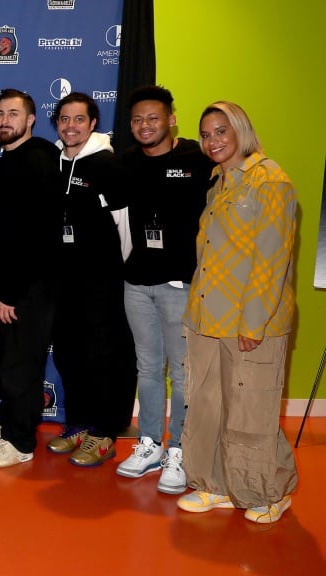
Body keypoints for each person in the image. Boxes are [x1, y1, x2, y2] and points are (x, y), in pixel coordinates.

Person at [176, 101, 298, 524]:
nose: (212, 141)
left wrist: (254, 323)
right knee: (210, 406)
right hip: (208, 319)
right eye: (206, 134)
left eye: (221, 131)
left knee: (251, 412)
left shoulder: (271, 181)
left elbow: (271, 260)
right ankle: (215, 485)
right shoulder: (218, 183)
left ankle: (271, 491)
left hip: (250, 321)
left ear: (241, 130)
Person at [115, 86, 214, 493]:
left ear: (171, 119)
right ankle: (150, 443)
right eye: (137, 120)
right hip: (137, 283)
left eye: (153, 118)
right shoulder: (125, 164)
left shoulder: (197, 158)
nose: (144, 126)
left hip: (181, 285)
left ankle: (180, 450)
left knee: (184, 372)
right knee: (148, 369)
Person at [0, 89, 63, 468]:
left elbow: (35, 235)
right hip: (2, 284)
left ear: (30, 120)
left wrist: (10, 291)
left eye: (13, 114)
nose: (4, 120)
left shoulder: (39, 160)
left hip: (26, 287)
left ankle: (21, 441)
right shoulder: (2, 165)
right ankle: (11, 421)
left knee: (20, 364)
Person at [47, 92, 135, 467]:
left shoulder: (108, 165)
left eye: (78, 119)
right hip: (63, 281)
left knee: (102, 356)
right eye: (64, 119)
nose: (71, 126)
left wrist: (114, 270)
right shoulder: (53, 162)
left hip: (101, 281)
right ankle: (79, 425)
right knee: (69, 355)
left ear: (93, 123)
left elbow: (125, 226)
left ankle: (104, 433)